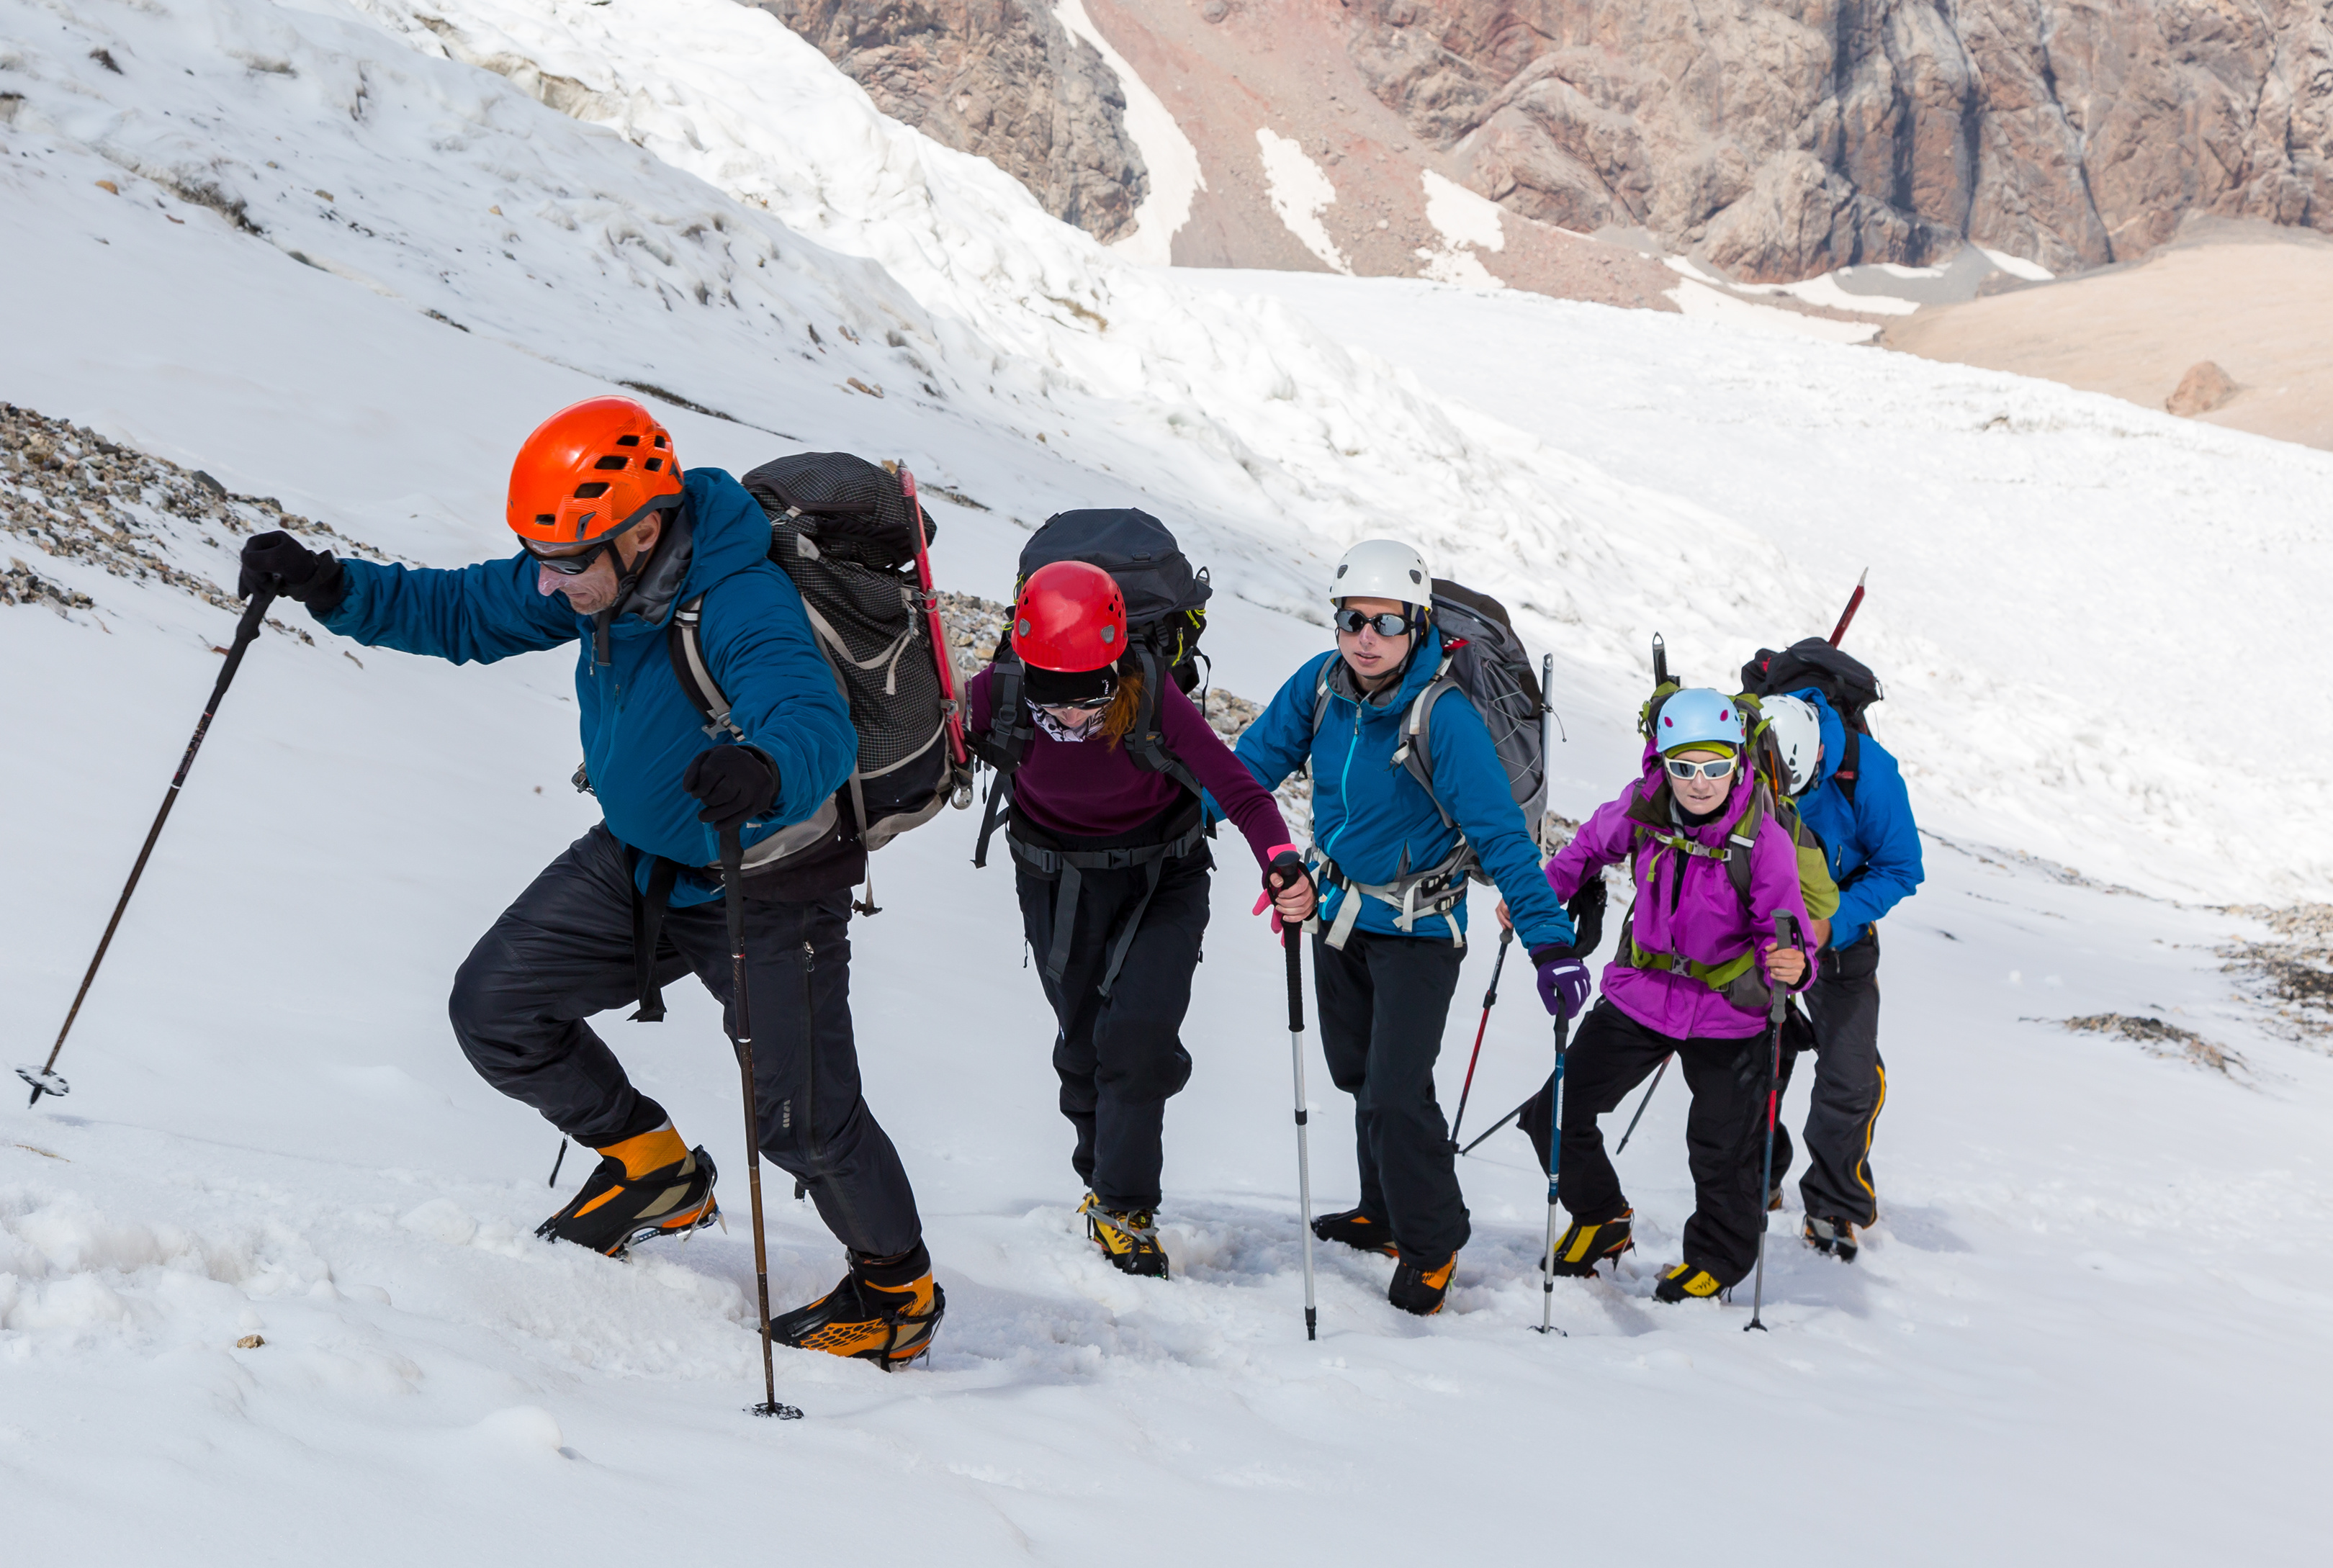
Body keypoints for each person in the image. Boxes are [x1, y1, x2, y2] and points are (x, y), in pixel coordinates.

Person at [235, 397, 942, 1368]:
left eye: (567, 560)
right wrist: (327, 584)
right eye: (542, 555)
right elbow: (464, 610)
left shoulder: (740, 597)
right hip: (643, 862)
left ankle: (897, 1289)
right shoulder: (600, 574)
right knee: (495, 1008)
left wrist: (767, 767)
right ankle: (654, 1169)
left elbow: (806, 713)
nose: (549, 580)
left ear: (645, 529)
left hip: (766, 885)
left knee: (803, 1122)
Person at [1228, 539, 1578, 1315]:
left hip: (1421, 932)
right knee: (1361, 1074)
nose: (1368, 636)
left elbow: (1503, 840)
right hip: (1334, 912)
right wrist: (1178, 817)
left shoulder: (1442, 716)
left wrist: (1550, 943)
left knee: (1392, 1090)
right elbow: (1249, 769)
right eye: (1353, 618)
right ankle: (1382, 1209)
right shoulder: (1321, 686)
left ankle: (1434, 1239)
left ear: (1418, 625)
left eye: (1388, 621)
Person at [968, 560, 1314, 1279]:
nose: (1067, 715)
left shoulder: (1152, 696)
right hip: (1055, 879)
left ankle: (1125, 1206)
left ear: (1117, 663)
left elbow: (1243, 794)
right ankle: (1102, 1176)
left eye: (1088, 694)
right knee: (1084, 1039)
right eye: (1051, 695)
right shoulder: (996, 695)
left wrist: (1280, 857)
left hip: (1165, 875)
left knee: (1139, 1036)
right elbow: (929, 750)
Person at [1503, 686, 1817, 1304]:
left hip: (1730, 1011)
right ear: (1661, 762)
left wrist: (1795, 964)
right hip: (1642, 994)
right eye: (1682, 767)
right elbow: (1587, 849)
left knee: (1722, 1148)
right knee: (1555, 1113)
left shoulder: (1764, 838)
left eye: (1714, 767)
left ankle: (1718, 1261)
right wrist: (1538, 900)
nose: (1699, 783)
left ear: (1737, 761)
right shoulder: (1644, 807)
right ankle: (1601, 1219)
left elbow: (1789, 933)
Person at [1757, 674, 1924, 1261]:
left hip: (1839, 929)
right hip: (1762, 922)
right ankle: (1757, 1176)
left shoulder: (1869, 772)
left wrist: (1834, 923)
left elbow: (1902, 866)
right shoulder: (1747, 746)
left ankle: (1835, 1203)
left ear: (1820, 753)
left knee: (1850, 1075)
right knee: (1753, 1055)